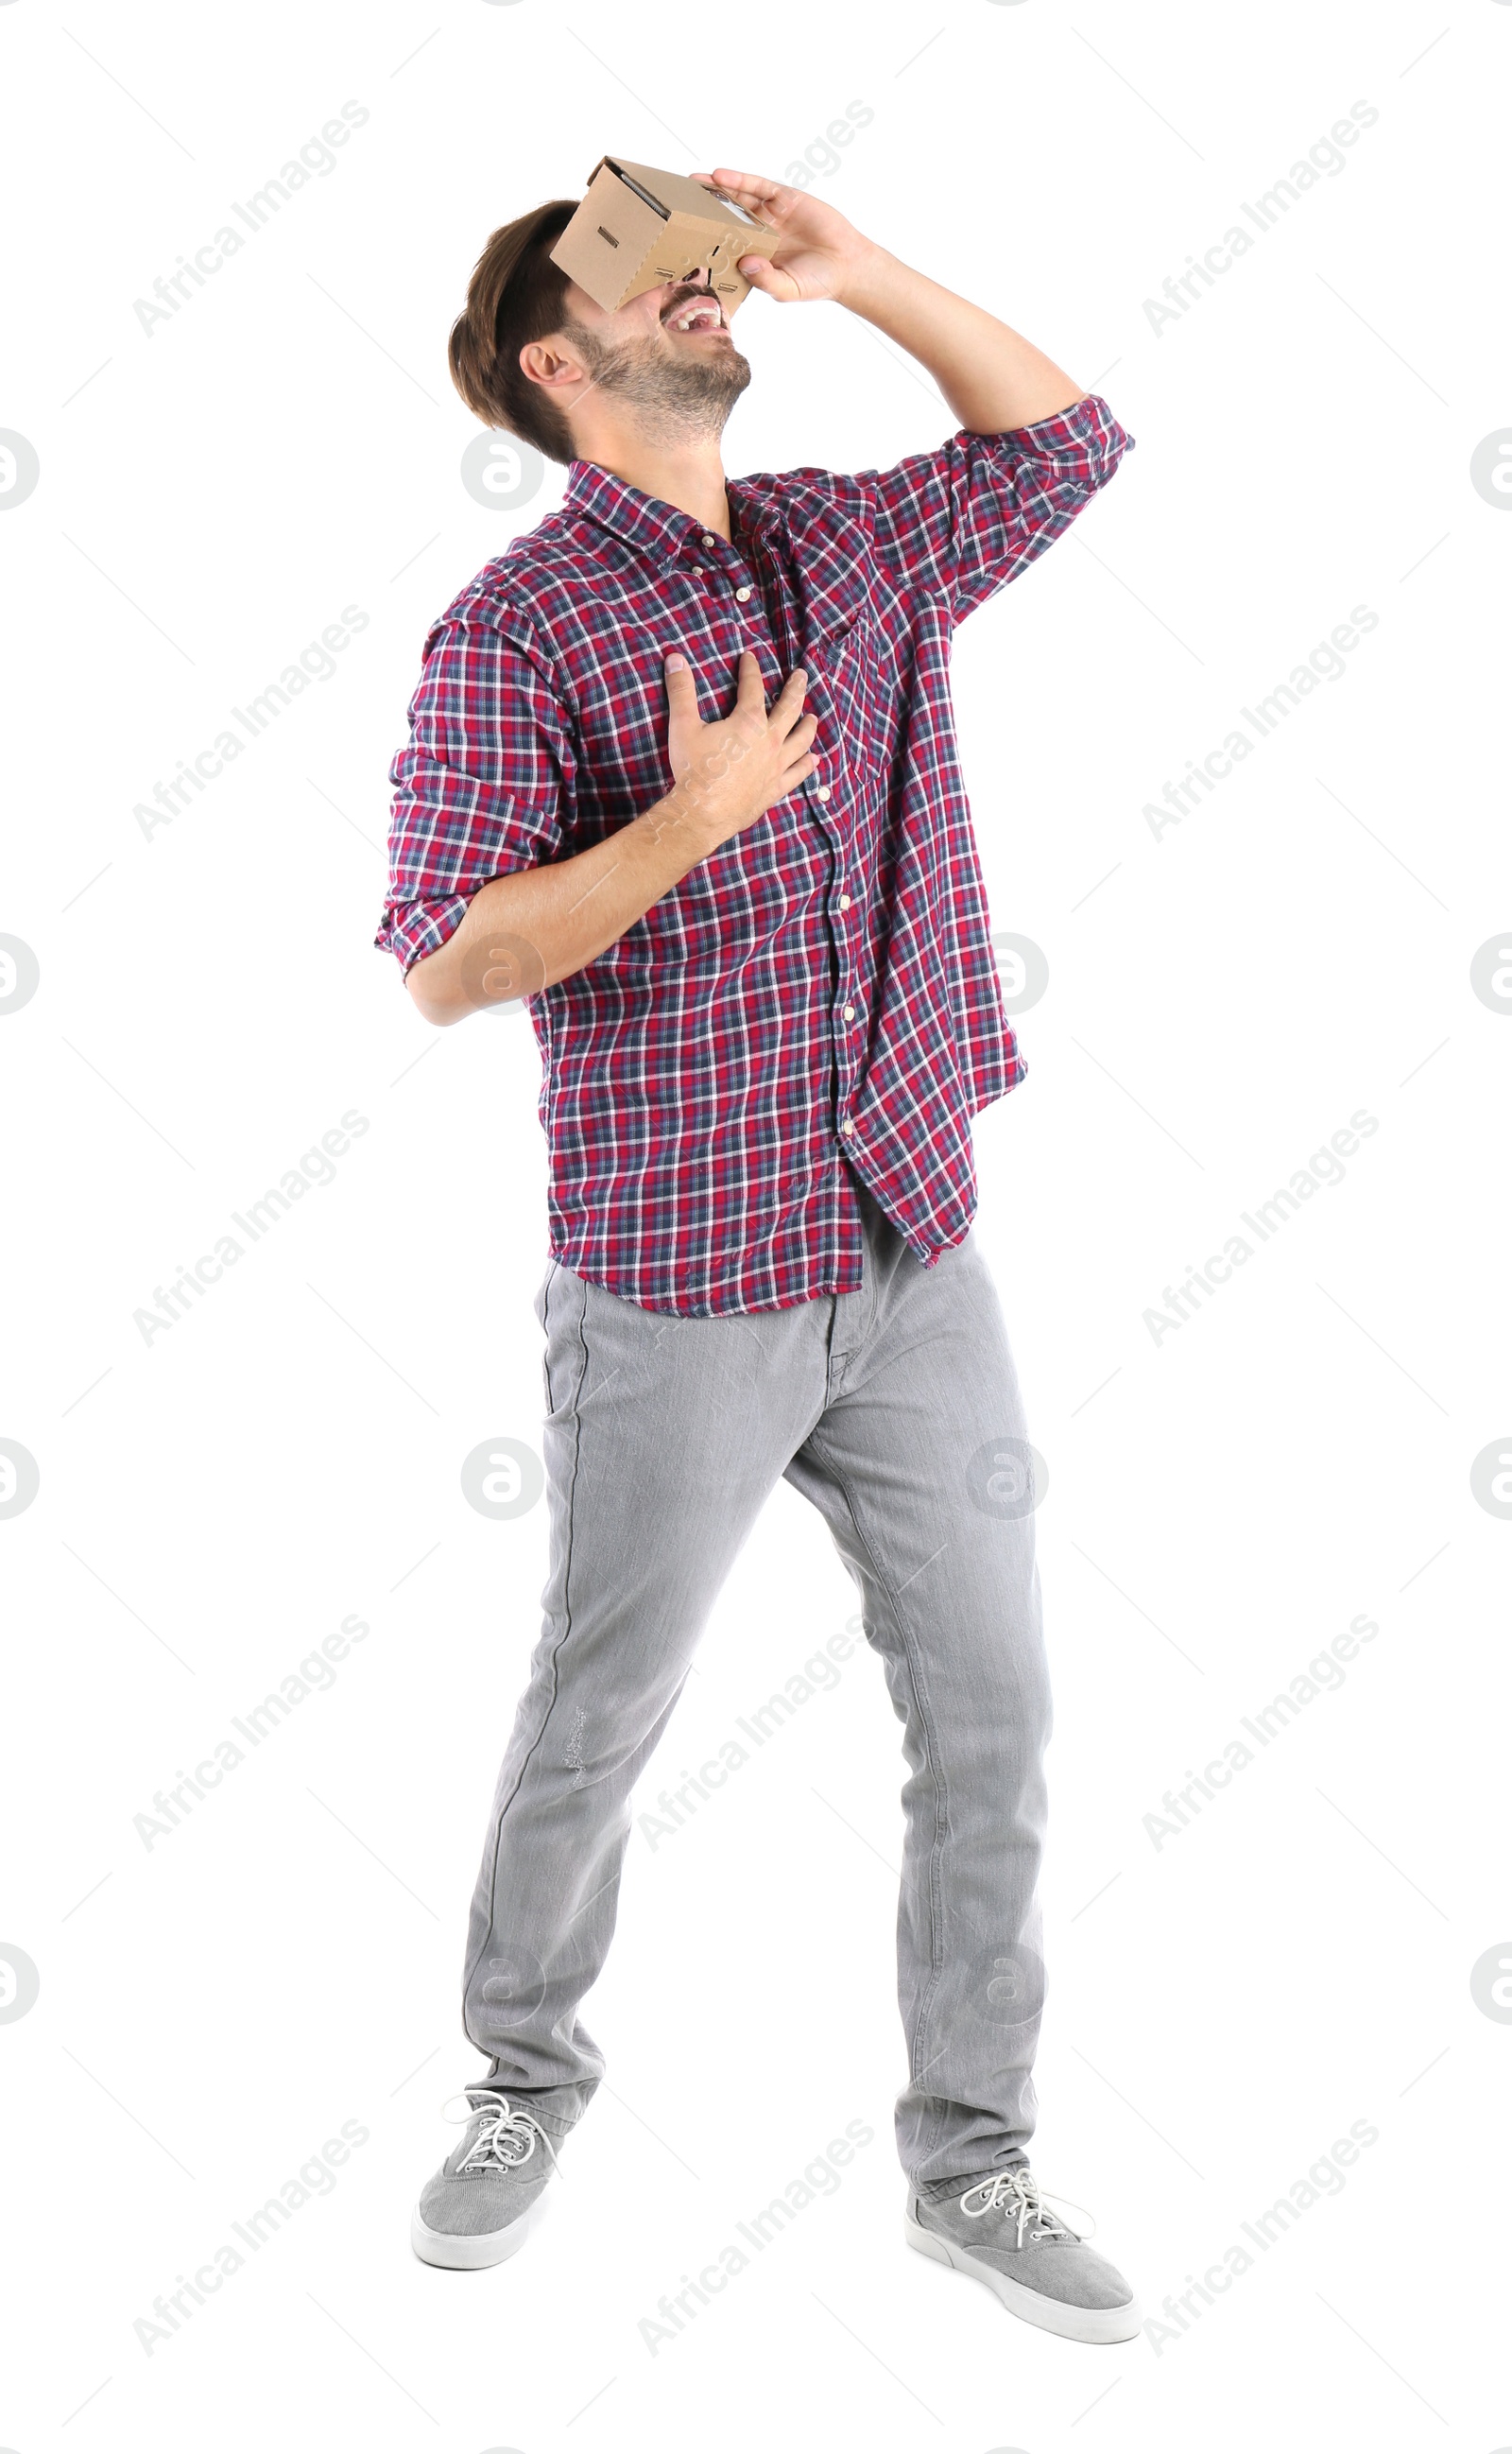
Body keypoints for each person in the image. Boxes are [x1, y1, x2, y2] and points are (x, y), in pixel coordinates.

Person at [376, 163, 1139, 2342]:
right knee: (599, 1708)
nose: (711, 300)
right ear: (561, 361)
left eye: (716, 278)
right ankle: (524, 2075)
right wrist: (687, 819)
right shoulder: (513, 631)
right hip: (676, 1287)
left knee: (993, 1707)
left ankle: (968, 2157)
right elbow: (447, 962)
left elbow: (1061, 444)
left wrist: (864, 269)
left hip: (909, 1245)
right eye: (660, 283)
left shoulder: (842, 540)